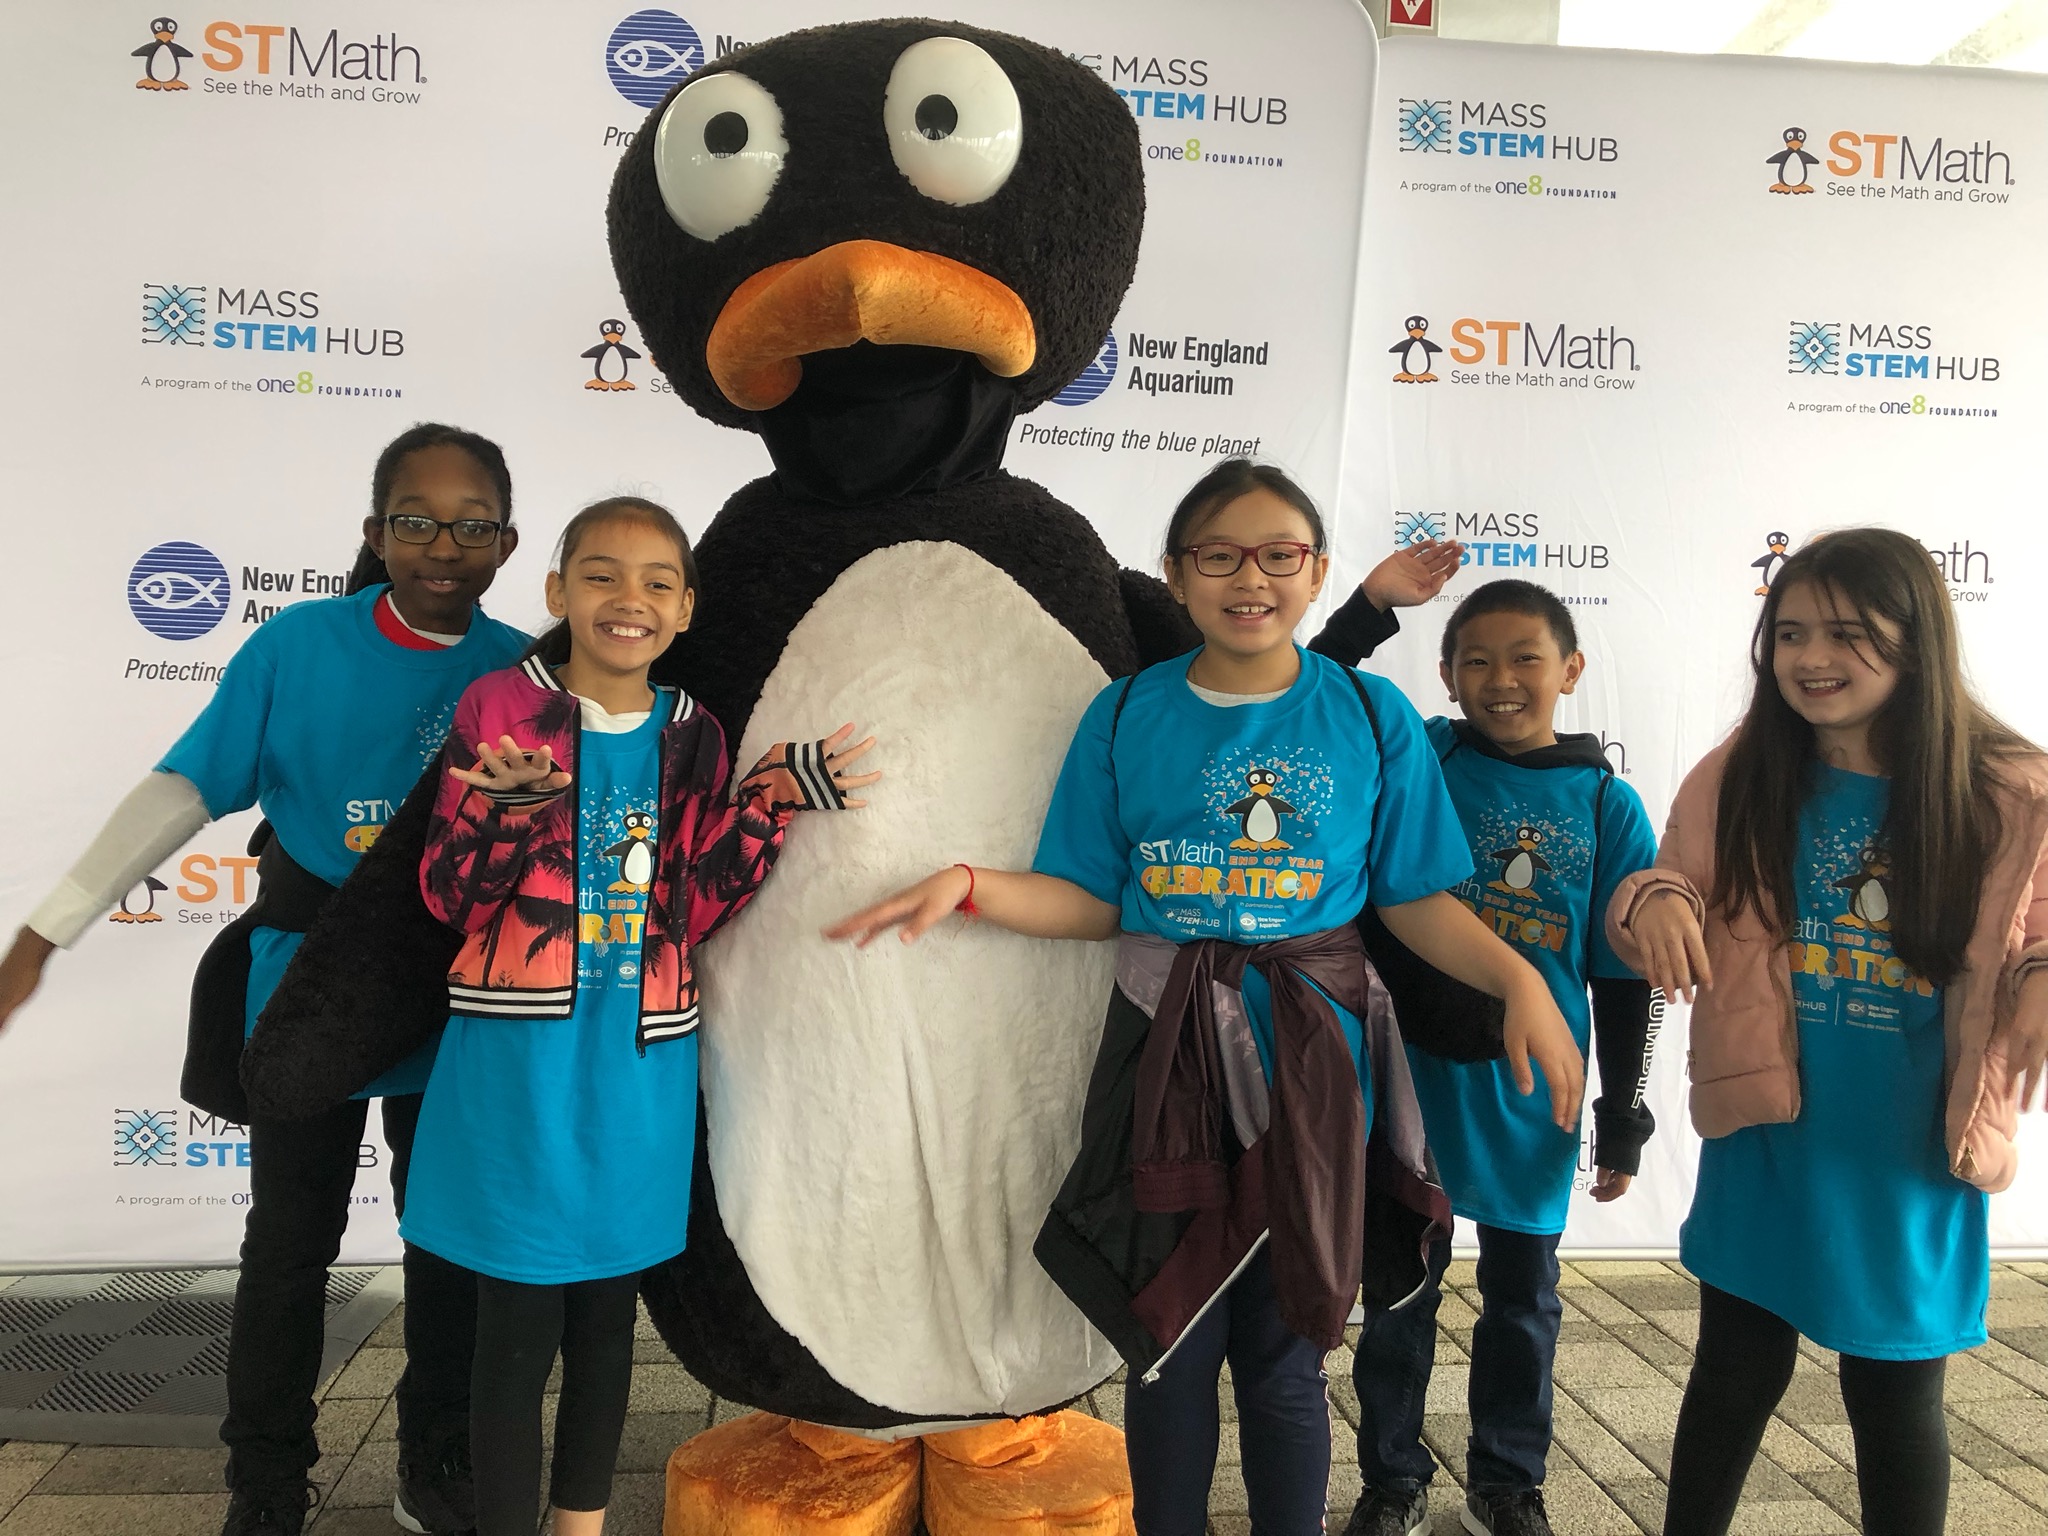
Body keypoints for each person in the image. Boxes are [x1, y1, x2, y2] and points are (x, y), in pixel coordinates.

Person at [826, 459, 1584, 1536]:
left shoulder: (1370, 716)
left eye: (1279, 554)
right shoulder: (1125, 711)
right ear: (1176, 575)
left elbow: (1412, 900)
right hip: (1161, 1058)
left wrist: (1517, 980)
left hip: (1313, 1072)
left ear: (1316, 571)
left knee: (1282, 1361)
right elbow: (1093, 898)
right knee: (1167, 1350)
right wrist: (967, 887)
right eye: (1218, 554)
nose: (1250, 577)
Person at [0, 423, 531, 1536]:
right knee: (290, 1246)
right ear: (374, 532)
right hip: (306, 985)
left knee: (446, 1244)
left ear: (507, 542)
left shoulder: (520, 673)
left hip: (455, 996)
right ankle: (268, 1482)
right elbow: (186, 787)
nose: (443, 544)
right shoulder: (296, 647)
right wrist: (48, 930)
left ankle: (435, 1457)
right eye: (417, 519)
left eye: (471, 523)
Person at [401, 497, 876, 1536]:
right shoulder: (499, 707)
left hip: (637, 1072)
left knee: (609, 1325)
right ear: (556, 591)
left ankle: (582, 1526)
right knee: (516, 1329)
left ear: (687, 608)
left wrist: (768, 801)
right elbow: (447, 891)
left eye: (658, 581)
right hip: (519, 1074)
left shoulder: (693, 730)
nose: (630, 599)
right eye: (603, 575)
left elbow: (692, 905)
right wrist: (509, 813)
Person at [1609, 528, 2048, 1536]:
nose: (1809, 658)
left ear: (1916, 644)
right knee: (1730, 1370)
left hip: (1908, 1146)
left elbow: (2032, 932)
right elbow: (1666, 879)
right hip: (1769, 1123)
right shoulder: (1743, 771)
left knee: (1892, 1394)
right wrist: (1657, 902)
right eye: (1790, 632)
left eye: (1848, 634)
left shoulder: (2008, 791)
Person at [1314, 578, 1661, 1536]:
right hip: (1408, 1079)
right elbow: (1310, 693)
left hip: (1527, 1095)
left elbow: (1627, 978)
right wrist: (1368, 608)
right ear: (1444, 672)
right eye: (1475, 660)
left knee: (1521, 1301)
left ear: (1571, 670)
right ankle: (1393, 1481)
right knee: (1398, 1298)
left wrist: (1622, 1116)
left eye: (1525, 659)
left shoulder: (1605, 804)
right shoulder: (1421, 753)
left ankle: (1507, 1483)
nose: (1500, 681)